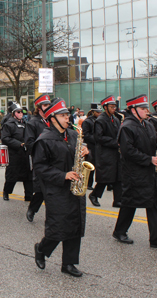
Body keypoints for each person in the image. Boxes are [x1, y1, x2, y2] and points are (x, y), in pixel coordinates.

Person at [33, 97, 88, 277]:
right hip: (56, 189)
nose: (68, 118)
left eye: (67, 115)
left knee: (75, 225)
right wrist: (63, 175)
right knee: (58, 227)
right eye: (63, 115)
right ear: (53, 118)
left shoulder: (73, 135)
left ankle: (69, 263)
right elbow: (40, 168)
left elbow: (78, 158)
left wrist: (86, 153)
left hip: (75, 187)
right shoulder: (44, 139)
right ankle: (41, 249)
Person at [112, 94, 157, 250]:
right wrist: (149, 159)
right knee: (129, 203)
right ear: (133, 110)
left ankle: (156, 238)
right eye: (143, 108)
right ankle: (119, 231)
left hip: (150, 172)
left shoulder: (148, 124)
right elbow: (128, 151)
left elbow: (152, 142)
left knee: (153, 203)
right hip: (134, 172)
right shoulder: (127, 126)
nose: (147, 111)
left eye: (147, 108)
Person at [88, 96, 122, 208]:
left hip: (115, 152)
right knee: (106, 177)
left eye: (115, 107)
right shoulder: (100, 120)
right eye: (111, 107)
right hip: (105, 153)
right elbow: (99, 137)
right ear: (105, 107)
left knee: (118, 177)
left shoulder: (116, 119)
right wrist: (115, 142)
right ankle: (94, 195)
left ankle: (117, 200)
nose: (114, 109)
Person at [24, 94, 51, 222]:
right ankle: (32, 209)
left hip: (54, 159)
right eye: (45, 105)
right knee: (40, 189)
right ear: (39, 108)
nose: (48, 108)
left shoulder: (52, 120)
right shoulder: (32, 123)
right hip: (41, 159)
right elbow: (29, 143)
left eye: (49, 105)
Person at [1, 102, 33, 201]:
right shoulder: (8, 124)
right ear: (13, 113)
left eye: (22, 112)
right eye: (18, 112)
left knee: (28, 176)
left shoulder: (26, 123)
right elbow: (5, 138)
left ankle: (28, 195)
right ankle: (6, 192)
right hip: (14, 154)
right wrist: (19, 144)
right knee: (12, 175)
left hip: (25, 153)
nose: (21, 114)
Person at [81, 103, 102, 191]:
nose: (99, 114)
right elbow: (86, 134)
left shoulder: (100, 120)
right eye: (97, 112)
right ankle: (88, 183)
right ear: (93, 112)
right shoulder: (87, 121)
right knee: (90, 165)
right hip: (90, 146)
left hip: (98, 146)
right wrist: (96, 139)